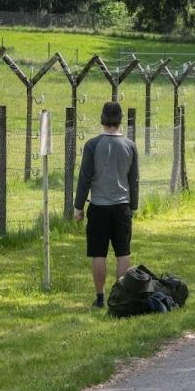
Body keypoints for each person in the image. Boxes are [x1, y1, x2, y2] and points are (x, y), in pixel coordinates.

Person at [74, 101, 140, 307]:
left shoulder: (92, 145)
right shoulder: (130, 146)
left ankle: (100, 298)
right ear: (120, 120)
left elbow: (85, 177)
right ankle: (120, 296)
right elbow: (134, 179)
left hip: (99, 206)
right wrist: (133, 205)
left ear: (102, 119)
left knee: (98, 253)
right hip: (122, 207)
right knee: (123, 253)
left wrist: (78, 207)